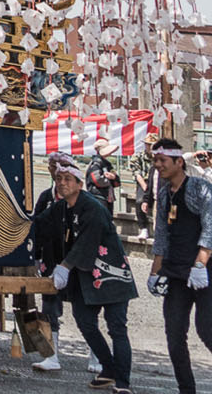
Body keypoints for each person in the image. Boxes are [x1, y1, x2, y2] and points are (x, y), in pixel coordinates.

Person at [147, 137, 212, 394]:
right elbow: (161, 235)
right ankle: (186, 389)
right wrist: (155, 272)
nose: (158, 165)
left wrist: (201, 264)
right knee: (174, 334)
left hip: (206, 269)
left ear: (180, 162)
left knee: (206, 328)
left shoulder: (201, 188)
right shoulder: (164, 193)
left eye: (163, 160)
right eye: (155, 160)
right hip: (176, 271)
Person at [47, 153, 136, 394]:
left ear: (79, 183)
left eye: (67, 179)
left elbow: (87, 242)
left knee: (117, 327)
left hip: (112, 274)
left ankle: (123, 381)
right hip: (85, 277)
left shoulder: (93, 207)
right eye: (58, 179)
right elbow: (44, 225)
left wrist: (64, 266)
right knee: (85, 323)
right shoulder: (62, 208)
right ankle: (108, 368)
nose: (62, 183)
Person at [22, 152, 71, 372]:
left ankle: (96, 357)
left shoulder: (83, 200)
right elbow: (37, 227)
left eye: (62, 167)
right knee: (50, 307)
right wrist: (36, 256)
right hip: (51, 258)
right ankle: (53, 355)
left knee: (86, 309)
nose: (56, 172)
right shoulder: (45, 197)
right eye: (53, 167)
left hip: (76, 259)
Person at [86, 141, 122, 215]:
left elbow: (117, 180)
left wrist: (113, 177)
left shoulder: (107, 164)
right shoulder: (96, 163)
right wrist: (109, 181)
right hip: (97, 196)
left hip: (106, 196)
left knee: (107, 219)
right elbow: (97, 180)